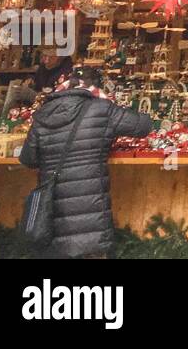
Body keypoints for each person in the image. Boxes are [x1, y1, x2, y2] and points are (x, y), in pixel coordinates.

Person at [18, 68, 153, 258]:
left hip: (52, 216)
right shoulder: (101, 108)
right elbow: (143, 126)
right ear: (94, 88)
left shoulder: (43, 114)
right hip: (92, 218)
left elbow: (28, 159)